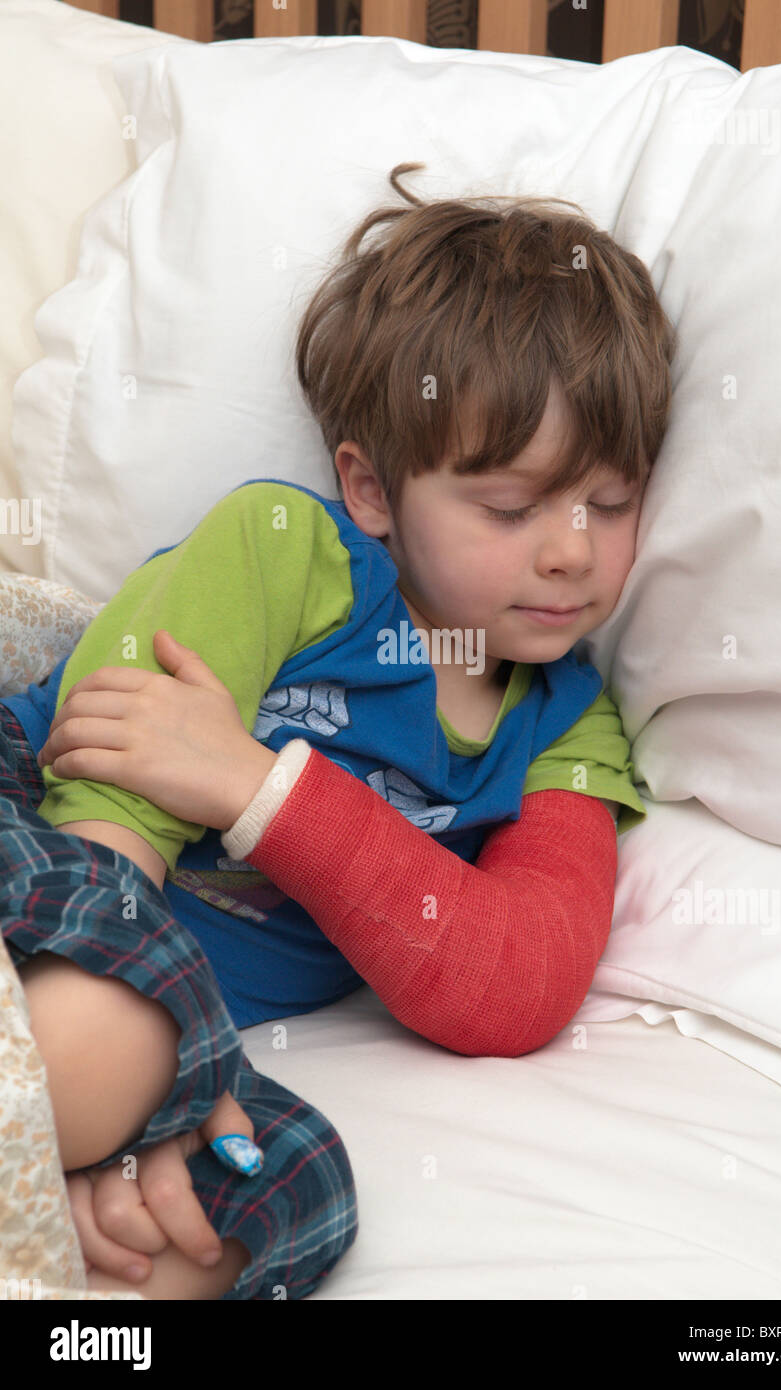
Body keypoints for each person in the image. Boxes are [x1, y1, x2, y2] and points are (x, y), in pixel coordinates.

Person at [0, 161, 676, 1299]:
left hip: (186, 1035)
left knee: (287, 1199)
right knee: (111, 1037)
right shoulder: (285, 551)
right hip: (51, 845)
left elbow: (514, 985)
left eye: (607, 502)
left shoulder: (568, 732)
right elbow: (107, 778)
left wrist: (259, 794)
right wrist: (120, 1037)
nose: (569, 550)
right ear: (370, 489)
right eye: (509, 507)